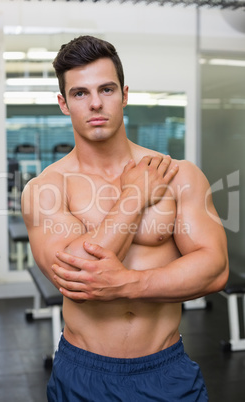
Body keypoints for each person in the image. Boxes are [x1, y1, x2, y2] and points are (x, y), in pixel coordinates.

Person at [22, 36, 229, 401]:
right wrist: (133, 196)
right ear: (63, 104)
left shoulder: (178, 174)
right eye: (80, 93)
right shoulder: (47, 188)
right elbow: (78, 280)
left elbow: (214, 268)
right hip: (84, 374)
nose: (96, 103)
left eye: (106, 89)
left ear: (125, 94)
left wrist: (127, 284)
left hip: (167, 371)